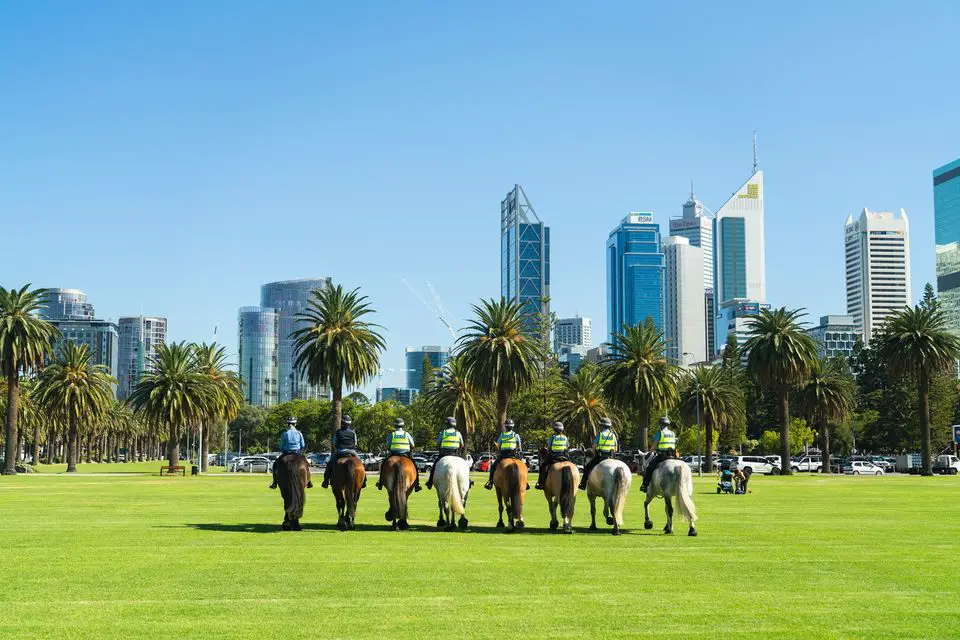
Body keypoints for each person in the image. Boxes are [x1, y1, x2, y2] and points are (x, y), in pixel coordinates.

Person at [376, 418, 421, 492]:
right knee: (414, 466)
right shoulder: (407, 434)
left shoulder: (392, 434)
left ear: (395, 426)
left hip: (393, 454)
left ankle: (380, 482)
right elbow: (412, 445)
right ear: (403, 425)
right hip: (405, 454)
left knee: (384, 464)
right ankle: (417, 484)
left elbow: (388, 445)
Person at [425, 416, 465, 490]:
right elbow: (462, 445)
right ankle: (468, 480)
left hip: (444, 454)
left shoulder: (443, 433)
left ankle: (430, 482)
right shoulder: (458, 433)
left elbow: (438, 443)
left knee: (434, 466)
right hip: (455, 454)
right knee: (464, 465)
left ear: (447, 424)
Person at [321, 415, 360, 489]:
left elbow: (334, 442)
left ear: (342, 423)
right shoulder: (353, 433)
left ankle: (326, 481)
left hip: (340, 451)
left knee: (329, 464)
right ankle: (364, 481)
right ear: (349, 424)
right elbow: (355, 443)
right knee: (360, 463)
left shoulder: (338, 432)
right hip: (352, 452)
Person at [270, 416, 309, 489]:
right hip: (297, 453)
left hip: (286, 453)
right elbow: (302, 445)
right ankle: (309, 481)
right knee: (306, 465)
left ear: (288, 424)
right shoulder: (299, 433)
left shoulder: (284, 433)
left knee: (275, 465)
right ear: (295, 424)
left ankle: (274, 482)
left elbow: (281, 446)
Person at [639, 416, 678, 492]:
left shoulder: (659, 433)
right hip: (673, 455)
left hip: (663, 456)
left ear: (660, 424)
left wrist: (650, 452)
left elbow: (654, 445)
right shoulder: (672, 433)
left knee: (649, 467)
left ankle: (645, 485)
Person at [579, 417, 618, 490]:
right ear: (609, 426)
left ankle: (583, 484)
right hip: (610, 456)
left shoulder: (600, 434)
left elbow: (594, 447)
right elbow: (616, 448)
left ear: (602, 426)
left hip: (600, 457)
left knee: (587, 468)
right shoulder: (613, 435)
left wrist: (594, 453)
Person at [484, 419, 523, 490]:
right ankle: (525, 483)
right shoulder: (516, 435)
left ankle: (490, 482)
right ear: (512, 427)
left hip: (504, 455)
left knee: (493, 467)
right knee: (523, 466)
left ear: (506, 427)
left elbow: (498, 446)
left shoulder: (502, 435)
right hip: (514, 455)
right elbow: (519, 447)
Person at [535, 421, 569, 490]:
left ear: (555, 429)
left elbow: (549, 447)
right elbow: (567, 446)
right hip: (564, 455)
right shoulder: (565, 437)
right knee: (572, 465)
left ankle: (540, 483)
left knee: (543, 467)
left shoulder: (552, 437)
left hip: (554, 456)